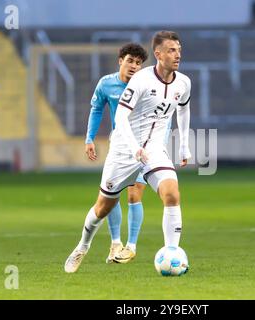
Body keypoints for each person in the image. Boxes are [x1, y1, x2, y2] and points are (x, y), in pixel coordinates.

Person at [65, 30, 191, 274]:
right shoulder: (142, 80)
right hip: (124, 149)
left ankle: (172, 254)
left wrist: (184, 144)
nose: (177, 55)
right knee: (103, 207)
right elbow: (121, 115)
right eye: (172, 50)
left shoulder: (183, 82)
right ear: (158, 54)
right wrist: (134, 148)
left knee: (172, 193)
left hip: (154, 150)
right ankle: (83, 245)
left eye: (179, 50)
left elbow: (183, 110)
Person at [85, 43, 149, 264]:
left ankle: (131, 246)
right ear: (120, 60)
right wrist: (89, 138)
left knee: (134, 194)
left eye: (139, 63)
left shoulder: (146, 85)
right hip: (120, 146)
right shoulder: (106, 84)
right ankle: (115, 243)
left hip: (143, 147)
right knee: (111, 197)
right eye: (130, 61)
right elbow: (96, 109)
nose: (134, 66)